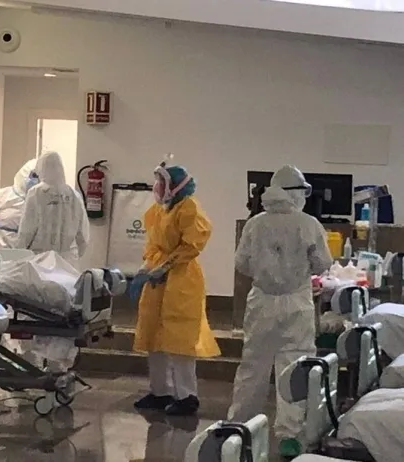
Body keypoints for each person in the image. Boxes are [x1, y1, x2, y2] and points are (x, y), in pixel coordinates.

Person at [227, 165, 332, 456]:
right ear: (297, 193)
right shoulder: (308, 224)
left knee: (253, 365)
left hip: (261, 301)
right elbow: (322, 263)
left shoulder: (255, 224)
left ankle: (239, 426)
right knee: (293, 367)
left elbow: (242, 263)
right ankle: (290, 435)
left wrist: (268, 273)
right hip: (296, 302)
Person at [132, 163, 220, 416]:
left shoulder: (189, 208)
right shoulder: (159, 211)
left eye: (162, 183)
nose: (157, 187)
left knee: (180, 338)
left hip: (182, 279)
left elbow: (192, 245)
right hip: (157, 279)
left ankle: (186, 396)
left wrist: (166, 266)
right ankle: (160, 391)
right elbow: (153, 244)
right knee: (154, 335)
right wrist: (147, 267)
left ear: (176, 186)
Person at [16, 151, 89, 267]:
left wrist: (18, 256)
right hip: (67, 262)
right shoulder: (74, 195)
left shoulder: (35, 193)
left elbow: (26, 232)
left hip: (40, 261)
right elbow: (84, 236)